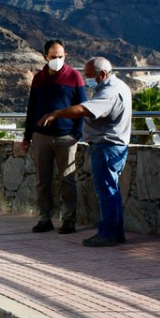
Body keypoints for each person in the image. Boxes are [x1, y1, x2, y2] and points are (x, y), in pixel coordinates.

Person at [38, 57, 132, 247]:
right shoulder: (120, 86)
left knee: (105, 191)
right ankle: (116, 232)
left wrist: (56, 114)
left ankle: (107, 233)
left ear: (102, 74)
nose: (86, 79)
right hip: (114, 146)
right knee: (112, 190)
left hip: (106, 146)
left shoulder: (109, 92)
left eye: (89, 75)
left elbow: (84, 109)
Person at [22, 39, 87, 234]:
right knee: (43, 180)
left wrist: (76, 134)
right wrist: (27, 136)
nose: (58, 60)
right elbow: (32, 109)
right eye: (53, 57)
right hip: (41, 137)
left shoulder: (75, 76)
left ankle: (69, 220)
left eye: (61, 56)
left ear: (65, 55)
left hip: (66, 137)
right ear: (45, 57)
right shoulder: (38, 79)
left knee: (67, 180)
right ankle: (45, 218)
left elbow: (83, 107)